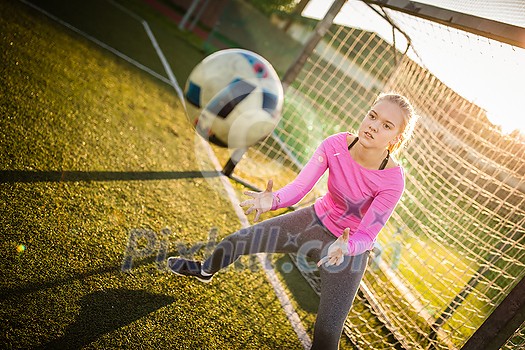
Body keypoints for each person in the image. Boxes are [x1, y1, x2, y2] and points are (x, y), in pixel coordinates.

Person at [168, 92, 418, 349]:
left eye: (386, 126)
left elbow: (367, 235)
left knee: (327, 332)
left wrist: (347, 247)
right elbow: (300, 187)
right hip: (313, 221)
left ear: (396, 138)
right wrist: (273, 199)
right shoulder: (335, 145)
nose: (373, 126)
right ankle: (205, 270)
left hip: (346, 251)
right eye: (372, 116)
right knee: (238, 241)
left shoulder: (393, 180)